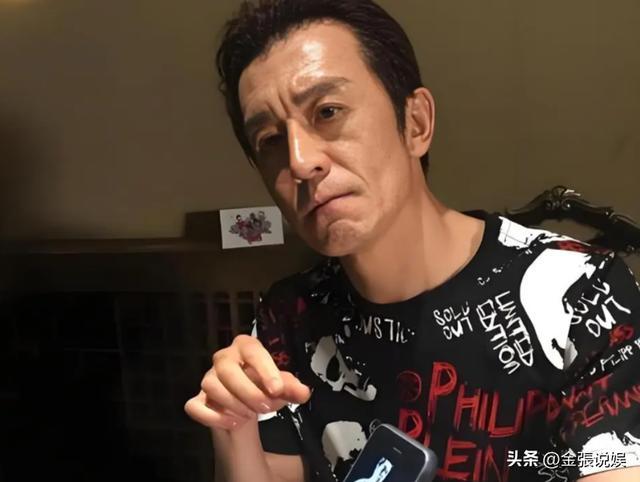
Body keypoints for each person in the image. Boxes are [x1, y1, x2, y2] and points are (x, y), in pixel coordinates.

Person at [184, 1, 640, 481]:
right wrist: (233, 427)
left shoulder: (581, 290)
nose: (299, 162)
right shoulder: (289, 317)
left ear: (416, 122)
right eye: (271, 141)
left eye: (328, 111)